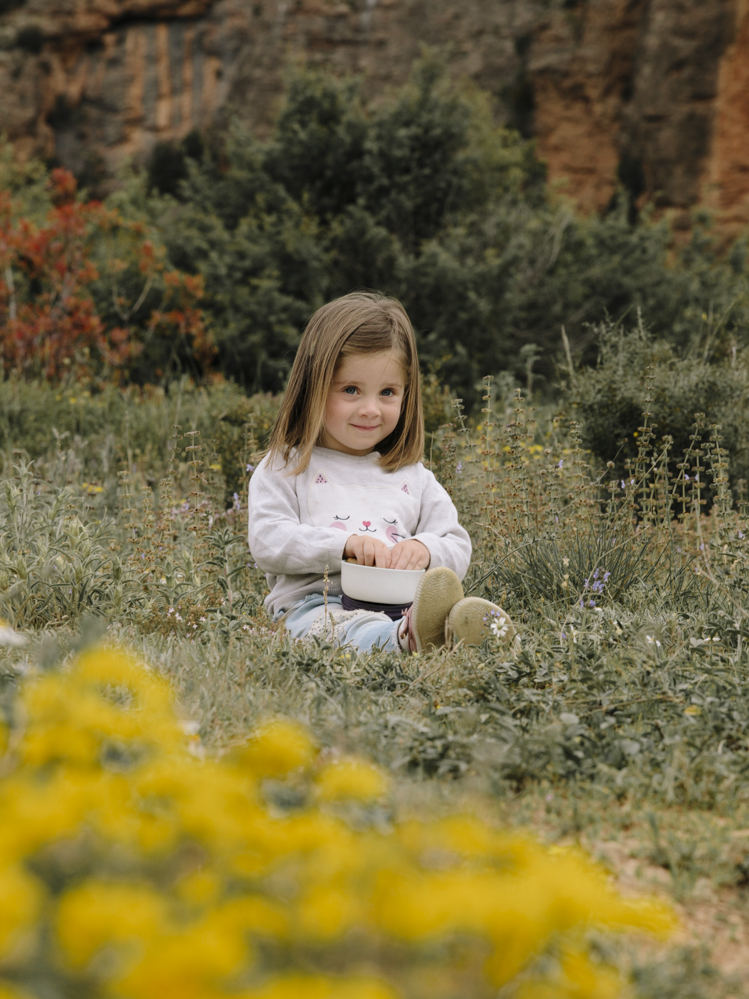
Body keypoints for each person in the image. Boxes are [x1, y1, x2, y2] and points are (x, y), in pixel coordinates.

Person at [248, 291, 518, 654]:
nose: (371, 409)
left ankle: (457, 633)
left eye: (388, 392)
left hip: (402, 605)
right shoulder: (286, 466)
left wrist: (423, 549)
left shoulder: (412, 476)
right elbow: (268, 540)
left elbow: (456, 543)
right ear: (313, 386)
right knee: (332, 629)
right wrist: (342, 545)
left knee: (429, 613)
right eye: (351, 390)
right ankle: (405, 640)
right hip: (314, 604)